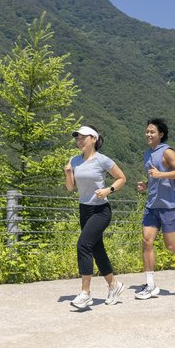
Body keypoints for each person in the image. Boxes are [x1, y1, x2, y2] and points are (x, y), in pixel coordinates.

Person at [135, 118, 175, 300]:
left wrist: (160, 174)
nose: (148, 134)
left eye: (152, 132)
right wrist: (147, 184)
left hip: (169, 206)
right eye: (147, 131)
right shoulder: (147, 154)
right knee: (146, 241)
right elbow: (156, 177)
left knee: (170, 244)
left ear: (160, 134)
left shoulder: (167, 152)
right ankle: (150, 285)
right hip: (152, 205)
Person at [64, 125, 127, 309]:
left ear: (93, 139)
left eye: (82, 137)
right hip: (84, 210)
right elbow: (70, 188)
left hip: (101, 211)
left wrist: (109, 189)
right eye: (77, 138)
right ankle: (114, 285)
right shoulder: (74, 161)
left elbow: (122, 178)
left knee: (83, 244)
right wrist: (68, 173)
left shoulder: (102, 160)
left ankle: (85, 293)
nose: (79, 140)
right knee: (97, 249)